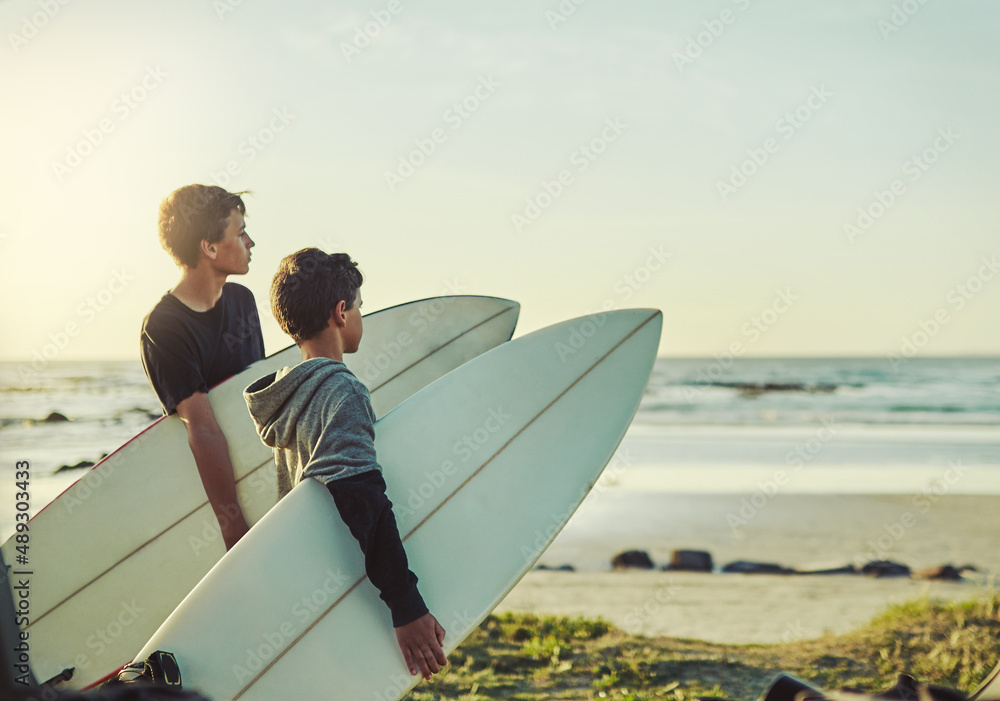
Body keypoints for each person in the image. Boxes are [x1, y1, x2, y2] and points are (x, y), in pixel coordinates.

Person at [243, 248, 448, 681]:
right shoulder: (342, 393)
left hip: (310, 578)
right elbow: (362, 499)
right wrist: (407, 607)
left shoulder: (291, 396)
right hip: (349, 582)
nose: (360, 318)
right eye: (359, 308)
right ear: (340, 311)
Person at [140, 185, 265, 551]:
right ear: (208, 247)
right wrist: (233, 527)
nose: (250, 241)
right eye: (240, 232)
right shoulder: (163, 327)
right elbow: (203, 427)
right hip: (216, 504)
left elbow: (258, 394)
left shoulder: (243, 301)